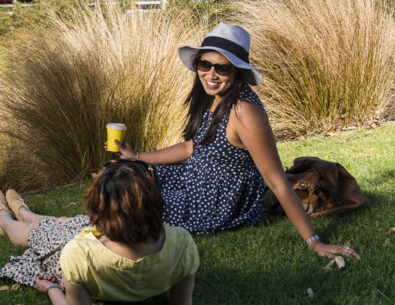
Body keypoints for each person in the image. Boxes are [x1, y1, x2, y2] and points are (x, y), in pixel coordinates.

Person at [115, 22, 361, 260]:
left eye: (222, 68)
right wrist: (136, 157)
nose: (211, 74)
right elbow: (191, 147)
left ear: (238, 71)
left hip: (215, 201)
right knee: (122, 174)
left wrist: (314, 242)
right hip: (193, 178)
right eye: (205, 64)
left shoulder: (244, 111)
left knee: (130, 207)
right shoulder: (211, 96)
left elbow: (276, 182)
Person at [0, 159, 199, 304]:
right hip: (113, 237)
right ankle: (26, 212)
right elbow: (181, 301)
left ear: (99, 213)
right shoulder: (182, 242)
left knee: (36, 231)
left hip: (87, 247)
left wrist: (52, 289)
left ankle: (4, 220)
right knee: (68, 222)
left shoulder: (77, 255)